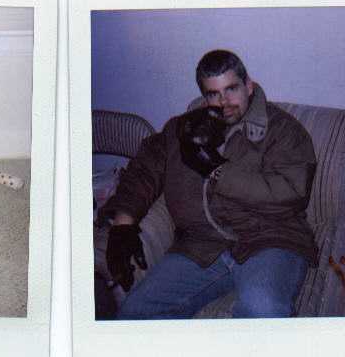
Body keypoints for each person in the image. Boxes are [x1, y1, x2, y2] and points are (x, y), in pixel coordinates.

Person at [103, 49, 318, 320]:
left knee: (263, 309)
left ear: (248, 86)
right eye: (214, 94)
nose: (224, 102)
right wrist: (123, 225)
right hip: (199, 246)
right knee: (134, 313)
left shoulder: (284, 131)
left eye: (231, 89)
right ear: (205, 97)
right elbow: (144, 169)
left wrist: (217, 170)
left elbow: (292, 193)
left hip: (269, 239)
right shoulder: (182, 129)